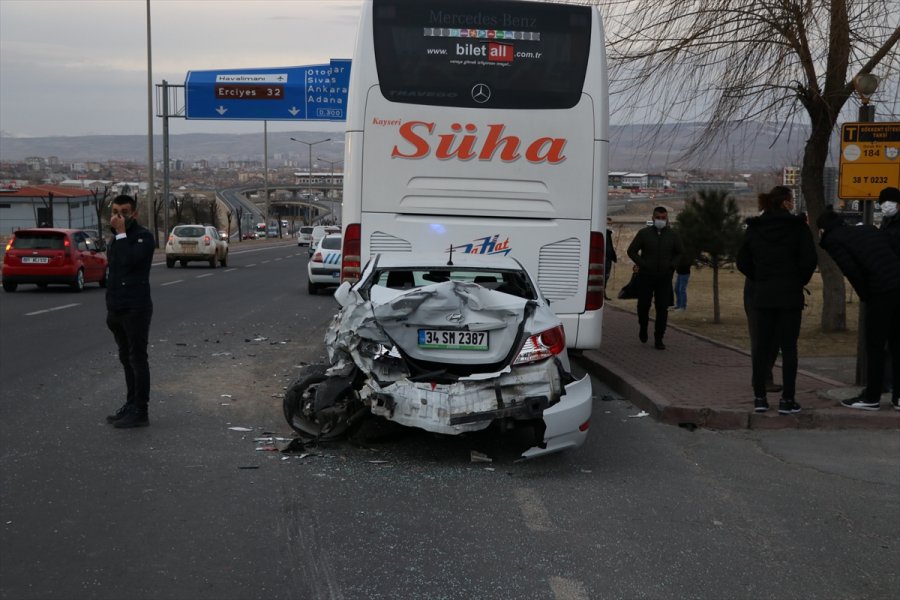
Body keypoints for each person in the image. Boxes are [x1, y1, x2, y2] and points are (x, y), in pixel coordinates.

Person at [737, 186, 817, 415]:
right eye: (791, 200)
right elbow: (809, 260)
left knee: (761, 347)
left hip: (763, 295)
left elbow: (742, 260)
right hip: (790, 296)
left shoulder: (755, 228)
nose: (792, 203)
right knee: (789, 348)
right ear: (785, 202)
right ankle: (787, 399)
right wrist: (797, 280)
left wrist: (760, 277)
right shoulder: (798, 228)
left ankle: (760, 397)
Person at [817, 207, 900, 411]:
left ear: (823, 230)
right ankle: (899, 398)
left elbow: (851, 271)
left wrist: (867, 296)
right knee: (898, 344)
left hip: (880, 292)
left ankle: (872, 396)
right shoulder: (869, 229)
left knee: (875, 346)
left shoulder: (833, 240)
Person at [105, 194, 156, 428]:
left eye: (124, 212)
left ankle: (141, 410)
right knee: (126, 358)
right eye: (115, 211)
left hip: (136, 308)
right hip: (117, 308)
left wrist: (122, 233)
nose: (119, 216)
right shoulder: (115, 239)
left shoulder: (143, 237)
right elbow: (113, 273)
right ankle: (130, 403)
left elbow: (129, 261)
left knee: (137, 358)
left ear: (133, 214)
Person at [627, 206, 684, 349]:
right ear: (653, 218)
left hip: (664, 277)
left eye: (663, 218)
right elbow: (631, 251)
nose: (661, 220)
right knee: (643, 306)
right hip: (646, 276)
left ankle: (659, 338)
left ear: (667, 219)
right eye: (658, 217)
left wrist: (672, 266)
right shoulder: (644, 234)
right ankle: (643, 327)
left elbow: (680, 253)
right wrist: (642, 264)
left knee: (662, 308)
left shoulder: (673, 235)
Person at [604, 217, 618, 300]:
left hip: (608, 259)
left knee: (606, 278)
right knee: (604, 277)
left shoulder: (608, 233)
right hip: (605, 259)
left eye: (611, 224)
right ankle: (603, 295)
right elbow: (608, 248)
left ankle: (603, 295)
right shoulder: (605, 233)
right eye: (609, 224)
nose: (610, 225)